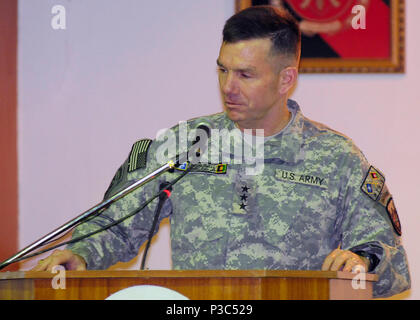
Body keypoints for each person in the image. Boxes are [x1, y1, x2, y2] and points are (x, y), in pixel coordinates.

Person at [33, 5, 410, 298]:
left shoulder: (337, 157)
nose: (229, 86)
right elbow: (116, 226)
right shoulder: (183, 145)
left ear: (286, 79)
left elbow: (390, 263)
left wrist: (360, 260)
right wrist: (81, 253)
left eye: (245, 75)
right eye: (222, 70)